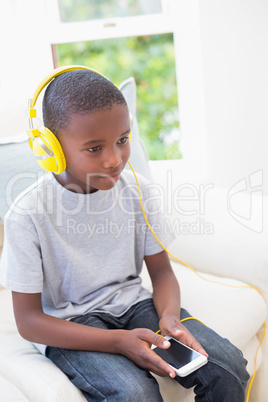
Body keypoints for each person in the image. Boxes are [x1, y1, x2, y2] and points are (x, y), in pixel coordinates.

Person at [0, 69, 249, 401]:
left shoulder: (138, 192)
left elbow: (161, 272)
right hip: (71, 323)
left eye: (122, 140)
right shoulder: (27, 214)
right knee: (135, 394)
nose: (115, 159)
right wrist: (118, 341)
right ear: (52, 149)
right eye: (94, 148)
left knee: (227, 367)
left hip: (132, 304)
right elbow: (29, 321)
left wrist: (170, 318)